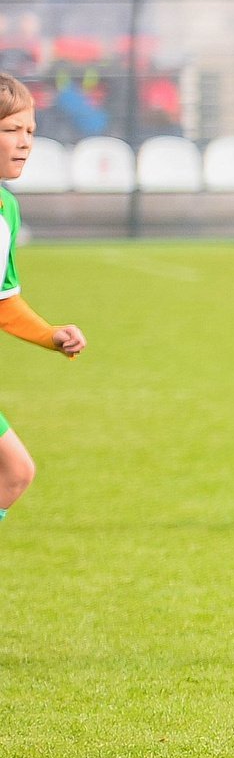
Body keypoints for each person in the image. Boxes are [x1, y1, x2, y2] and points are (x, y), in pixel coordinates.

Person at [0, 72, 86, 526]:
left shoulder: (6, 208)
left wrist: (51, 335)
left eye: (30, 131)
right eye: (11, 129)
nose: (24, 142)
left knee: (15, 473)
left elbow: (4, 302)